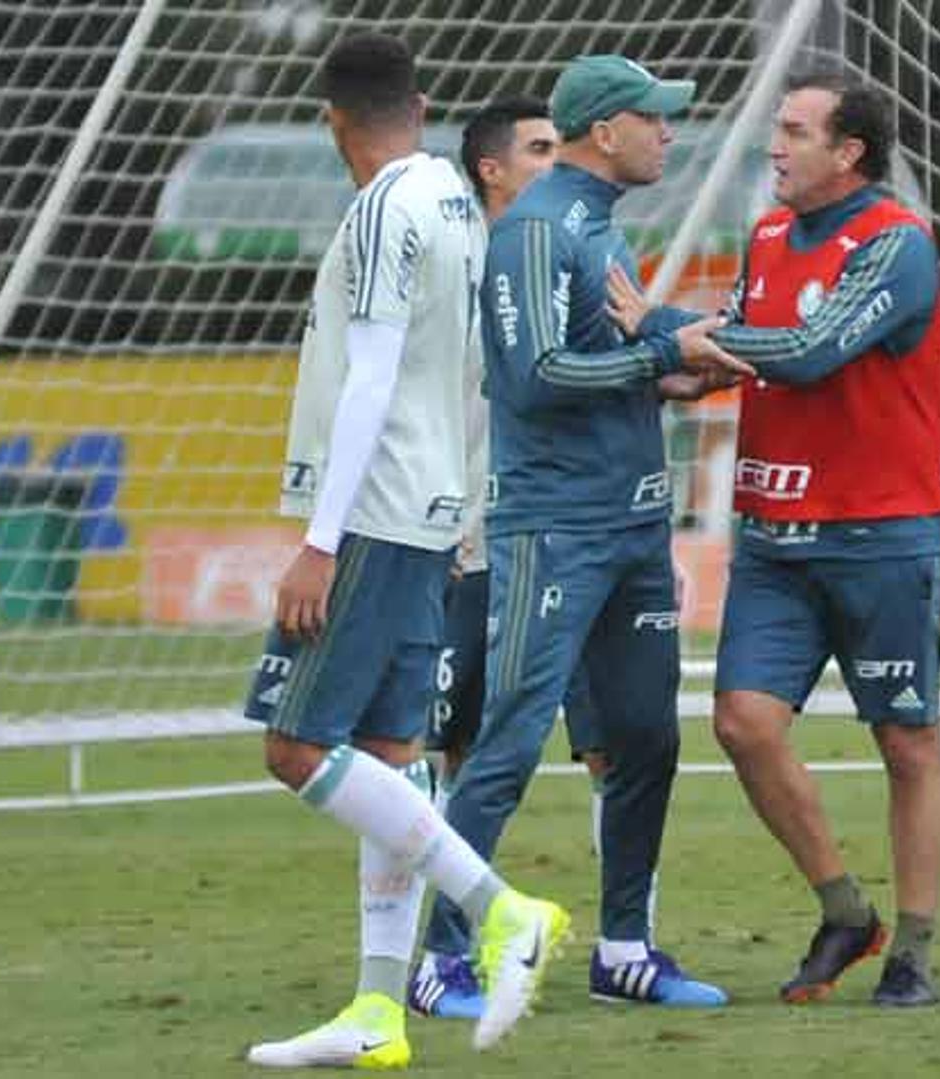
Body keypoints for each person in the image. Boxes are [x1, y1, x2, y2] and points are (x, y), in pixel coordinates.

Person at [238, 34, 569, 1066]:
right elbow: (473, 374)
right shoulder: (459, 210)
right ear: (422, 107)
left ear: (332, 117)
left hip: (373, 515)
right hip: (431, 510)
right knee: (389, 757)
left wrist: (317, 542)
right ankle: (379, 1010)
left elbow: (374, 375)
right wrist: (467, 511)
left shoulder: (384, 207)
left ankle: (504, 906)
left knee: (296, 747)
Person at [627, 69, 940, 1007]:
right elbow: (748, 345)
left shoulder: (896, 246)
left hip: (881, 533)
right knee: (742, 722)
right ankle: (846, 910)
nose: (776, 145)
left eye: (796, 130)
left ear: (848, 153)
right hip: (774, 537)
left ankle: (915, 953)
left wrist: (667, 329)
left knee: (906, 741)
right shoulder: (769, 234)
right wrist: (688, 373)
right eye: (778, 127)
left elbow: (808, 353)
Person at [445, 53, 745, 1010]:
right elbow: (536, 374)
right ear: (606, 131)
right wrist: (665, 346)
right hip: (556, 530)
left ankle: (625, 949)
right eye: (655, 119)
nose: (670, 133)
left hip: (631, 526)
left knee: (648, 737)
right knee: (511, 739)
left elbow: (620, 355)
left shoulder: (599, 226)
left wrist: (687, 363)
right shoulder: (536, 229)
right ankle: (439, 957)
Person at [409, 94, 609, 1021]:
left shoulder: (573, 257)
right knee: (455, 746)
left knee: (613, 740)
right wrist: (443, 526)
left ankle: (626, 942)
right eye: (538, 148)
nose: (554, 159)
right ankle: (433, 951)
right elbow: (430, 415)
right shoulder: (455, 272)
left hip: (571, 533)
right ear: (491, 169)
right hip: (477, 544)